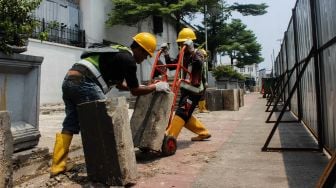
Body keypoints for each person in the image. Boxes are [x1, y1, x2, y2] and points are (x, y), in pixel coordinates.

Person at [50, 32, 170, 177]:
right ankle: (108, 168)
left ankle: (58, 166)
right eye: (146, 55)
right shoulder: (129, 60)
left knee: (70, 123)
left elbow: (121, 85)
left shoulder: (117, 52)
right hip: (86, 82)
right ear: (140, 49)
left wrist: (147, 87)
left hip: (69, 80)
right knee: (104, 123)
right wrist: (155, 87)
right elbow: (135, 91)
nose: (144, 59)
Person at [161, 28, 211, 141]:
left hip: (195, 90)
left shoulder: (197, 54)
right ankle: (203, 132)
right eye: (180, 43)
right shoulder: (182, 54)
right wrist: (166, 53)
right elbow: (171, 65)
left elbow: (198, 64)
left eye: (183, 43)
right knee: (185, 114)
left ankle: (170, 136)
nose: (181, 45)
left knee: (182, 112)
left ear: (190, 43)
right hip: (185, 89)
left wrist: (192, 50)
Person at [198, 49, 210, 113]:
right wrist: (205, 82)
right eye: (204, 56)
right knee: (202, 95)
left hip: (201, 81)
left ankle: (202, 108)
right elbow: (202, 73)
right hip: (201, 81)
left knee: (201, 95)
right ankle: (202, 109)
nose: (204, 58)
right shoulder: (201, 63)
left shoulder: (202, 63)